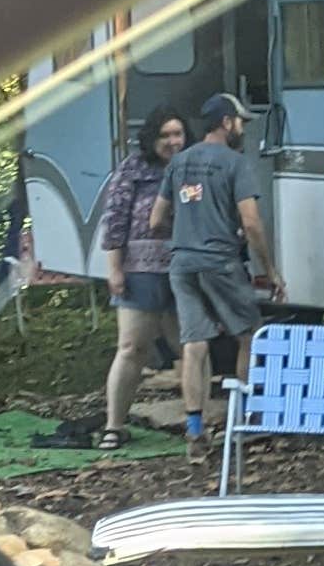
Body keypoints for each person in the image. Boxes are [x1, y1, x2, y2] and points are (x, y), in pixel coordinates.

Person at [150, 94, 284, 454]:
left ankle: (195, 431)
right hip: (220, 261)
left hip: (183, 264)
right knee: (248, 334)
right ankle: (245, 422)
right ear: (227, 123)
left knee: (194, 344)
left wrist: (187, 233)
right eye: (240, 122)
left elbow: (156, 220)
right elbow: (251, 223)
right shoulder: (234, 163)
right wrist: (269, 271)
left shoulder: (179, 163)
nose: (242, 128)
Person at [94, 109, 187, 453]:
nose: (173, 142)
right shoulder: (133, 168)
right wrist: (115, 268)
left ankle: (198, 421)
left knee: (190, 347)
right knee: (133, 347)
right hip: (140, 268)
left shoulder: (190, 167)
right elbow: (115, 217)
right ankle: (114, 426)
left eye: (178, 134)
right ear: (152, 139)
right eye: (165, 135)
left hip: (184, 269)